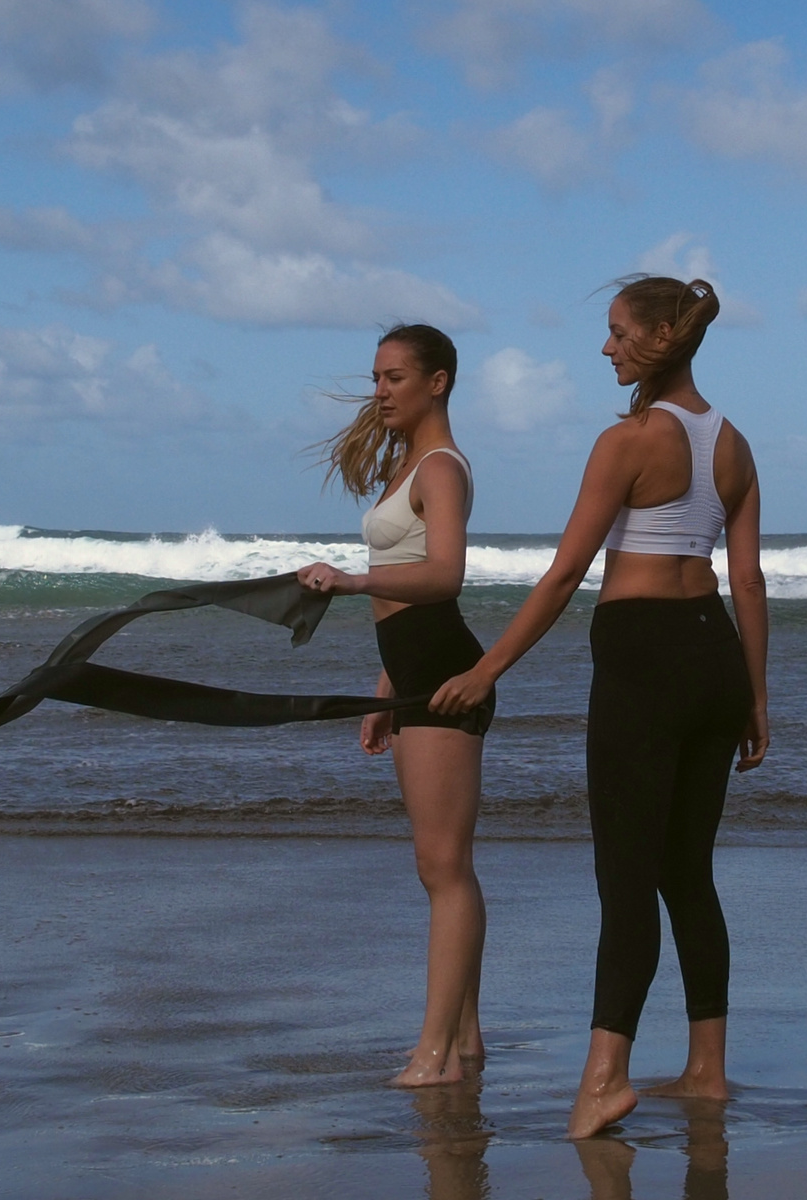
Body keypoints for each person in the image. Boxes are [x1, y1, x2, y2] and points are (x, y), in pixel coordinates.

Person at [428, 276, 769, 1138]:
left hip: (644, 660)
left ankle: (605, 1079)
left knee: (626, 878)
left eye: (618, 333)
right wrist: (757, 696)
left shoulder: (627, 442)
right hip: (717, 659)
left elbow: (565, 575)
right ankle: (706, 1069)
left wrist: (489, 669)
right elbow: (749, 581)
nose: (606, 347)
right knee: (687, 875)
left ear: (658, 337)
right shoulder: (733, 445)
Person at [297, 323, 494, 1087]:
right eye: (376, 378)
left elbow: (443, 576)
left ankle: (434, 1053)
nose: (379, 391)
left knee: (444, 867)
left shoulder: (440, 468)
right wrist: (384, 691)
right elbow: (403, 594)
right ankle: (465, 1038)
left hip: (445, 676)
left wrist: (352, 582)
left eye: (394, 378)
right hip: (412, 676)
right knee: (439, 865)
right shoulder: (406, 464)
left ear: (437, 382)